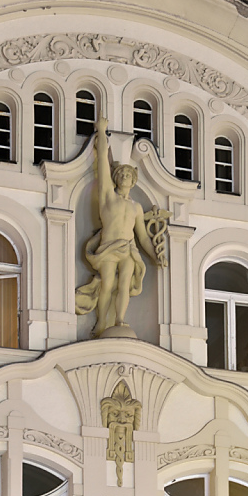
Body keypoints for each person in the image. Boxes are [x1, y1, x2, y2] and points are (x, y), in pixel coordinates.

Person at [75, 117, 165, 337]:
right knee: (107, 284)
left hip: (128, 248)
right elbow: (103, 165)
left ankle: (120, 320)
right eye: (122, 174)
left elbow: (143, 237)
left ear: (133, 181)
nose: (125, 176)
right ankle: (101, 323)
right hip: (108, 247)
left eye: (129, 174)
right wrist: (101, 131)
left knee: (124, 284)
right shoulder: (108, 197)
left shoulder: (136, 207)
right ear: (116, 179)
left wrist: (155, 256)